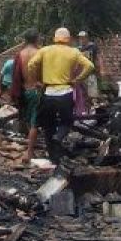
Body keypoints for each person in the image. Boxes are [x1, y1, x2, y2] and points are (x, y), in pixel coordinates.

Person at [27, 27, 94, 164]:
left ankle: (53, 158)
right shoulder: (74, 52)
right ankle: (59, 137)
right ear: (68, 39)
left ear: (54, 38)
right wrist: (77, 80)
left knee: (48, 126)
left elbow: (31, 64)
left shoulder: (45, 50)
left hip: (48, 93)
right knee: (67, 121)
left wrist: (36, 80)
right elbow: (90, 66)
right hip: (65, 93)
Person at [9, 29, 42, 162]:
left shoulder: (20, 54)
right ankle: (30, 152)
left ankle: (31, 148)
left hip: (25, 91)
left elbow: (16, 77)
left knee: (29, 120)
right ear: (36, 39)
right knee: (35, 122)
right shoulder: (40, 53)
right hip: (37, 90)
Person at [76, 31, 101, 111]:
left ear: (87, 38)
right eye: (80, 38)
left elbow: (97, 58)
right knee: (83, 94)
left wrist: (99, 69)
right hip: (81, 74)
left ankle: (94, 110)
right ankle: (85, 110)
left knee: (92, 93)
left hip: (91, 73)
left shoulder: (93, 47)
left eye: (83, 37)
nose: (81, 39)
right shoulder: (78, 49)